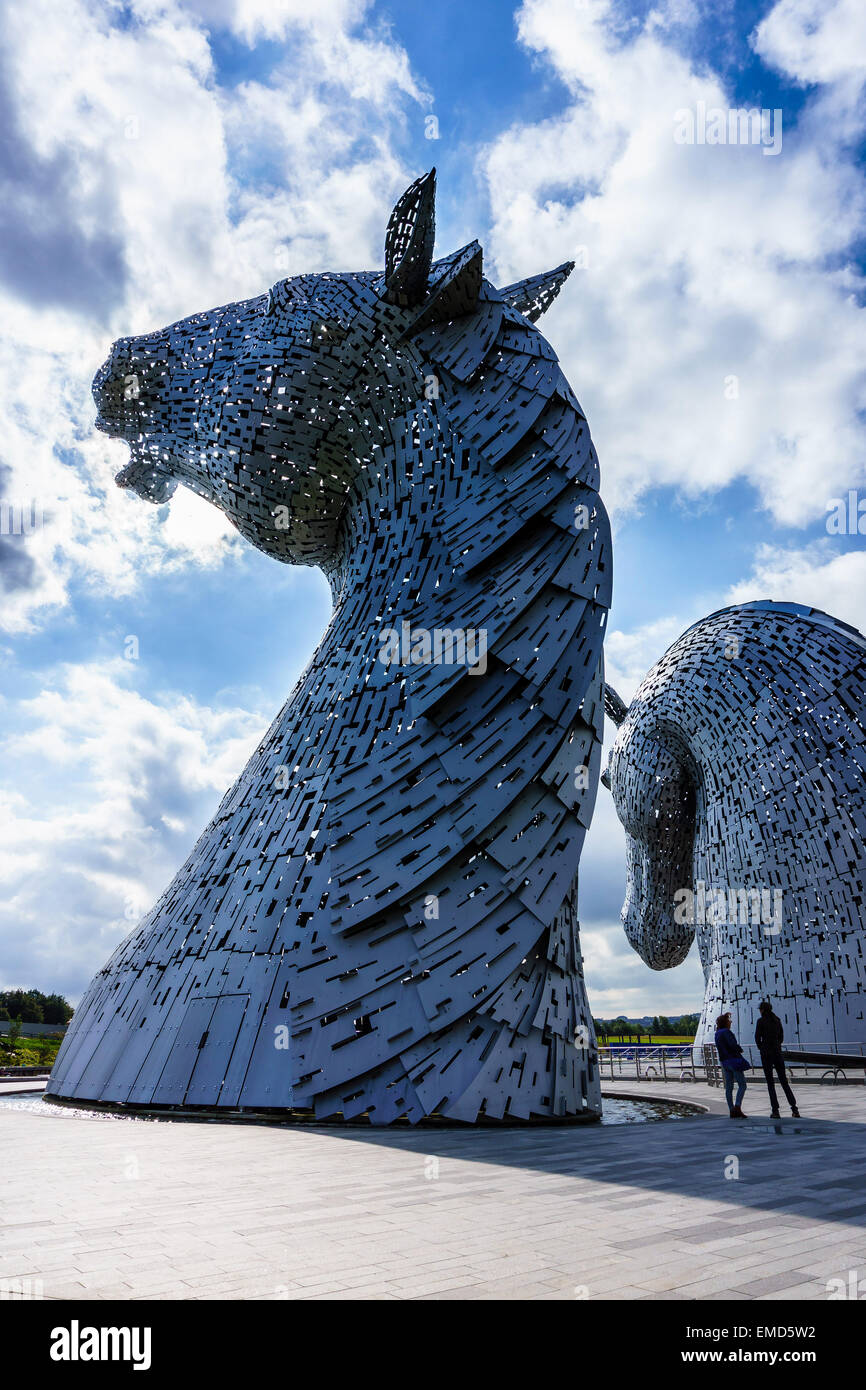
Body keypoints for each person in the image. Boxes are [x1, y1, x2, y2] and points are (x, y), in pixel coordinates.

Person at [755, 1000, 800, 1118]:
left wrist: (762, 1048)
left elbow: (757, 1038)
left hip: (766, 1055)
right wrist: (776, 1046)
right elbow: (781, 1037)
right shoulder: (777, 1020)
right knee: (784, 1081)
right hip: (777, 1053)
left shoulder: (760, 1021)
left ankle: (775, 1110)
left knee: (770, 1083)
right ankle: (794, 1109)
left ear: (763, 1010)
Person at [714, 1012, 750, 1117]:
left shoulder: (717, 1033)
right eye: (729, 1020)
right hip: (733, 1061)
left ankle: (731, 1110)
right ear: (725, 1022)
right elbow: (732, 1045)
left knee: (729, 1087)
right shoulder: (727, 1032)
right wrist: (739, 1049)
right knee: (742, 1084)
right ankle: (737, 1107)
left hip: (724, 1062)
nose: (731, 1022)